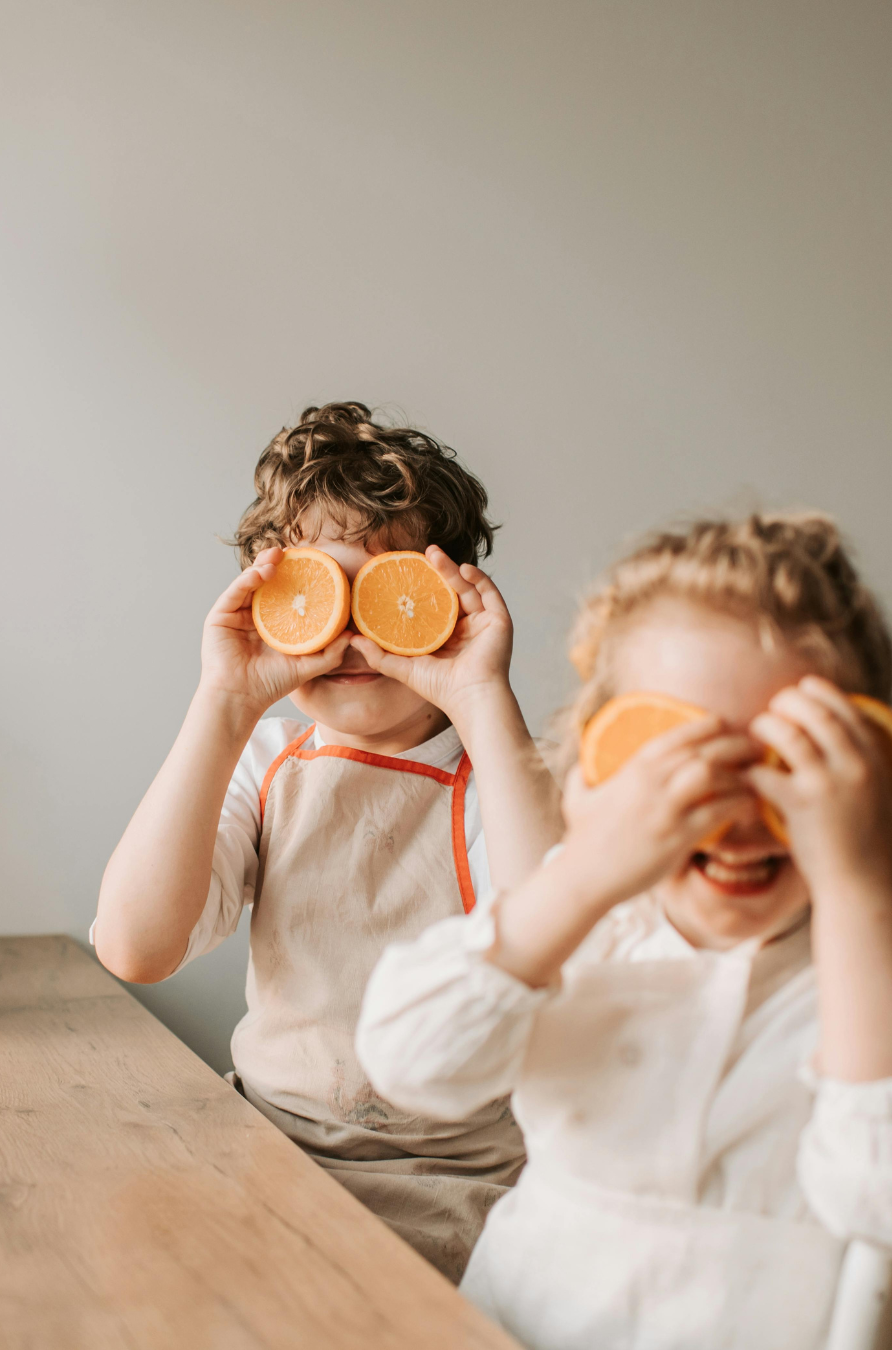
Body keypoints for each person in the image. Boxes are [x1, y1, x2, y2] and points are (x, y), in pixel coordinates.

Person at [356, 513, 892, 1347]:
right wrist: (584, 869)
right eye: (679, 764)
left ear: (877, 787)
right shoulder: (584, 928)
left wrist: (857, 882)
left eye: (793, 763)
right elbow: (411, 1066)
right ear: (600, 773)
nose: (733, 815)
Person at [94, 401, 562, 1283]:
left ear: (450, 599)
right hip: (262, 1153)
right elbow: (134, 947)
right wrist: (225, 703)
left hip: (459, 1185)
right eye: (317, 589)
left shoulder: (504, 778)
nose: (348, 632)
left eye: (388, 595)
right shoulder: (269, 758)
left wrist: (482, 700)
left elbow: (559, 947)